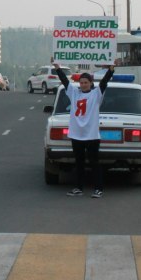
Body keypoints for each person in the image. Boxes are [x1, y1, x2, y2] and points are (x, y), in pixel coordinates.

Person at [54, 62, 114, 199]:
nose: (83, 84)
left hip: (91, 134)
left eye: (86, 82)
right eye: (81, 82)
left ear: (91, 83)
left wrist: (111, 69)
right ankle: (79, 187)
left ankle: (98, 188)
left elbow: (104, 82)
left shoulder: (96, 94)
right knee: (79, 163)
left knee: (94, 163)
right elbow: (64, 81)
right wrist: (57, 68)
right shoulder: (74, 93)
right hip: (77, 134)